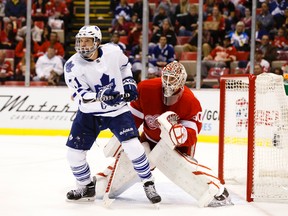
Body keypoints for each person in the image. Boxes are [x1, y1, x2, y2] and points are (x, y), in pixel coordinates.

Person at [95, 61, 232, 207]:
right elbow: (133, 120)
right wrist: (123, 137)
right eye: (166, 77)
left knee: (173, 164)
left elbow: (191, 136)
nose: (168, 82)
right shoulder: (146, 89)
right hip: (149, 137)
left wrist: (180, 134)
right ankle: (101, 182)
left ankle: (216, 190)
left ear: (181, 80)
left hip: (176, 146)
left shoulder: (190, 102)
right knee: (141, 155)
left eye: (172, 78)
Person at [63, 25, 161, 204]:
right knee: (73, 154)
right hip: (89, 113)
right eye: (80, 40)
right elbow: (80, 95)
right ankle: (86, 186)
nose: (83, 45)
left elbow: (125, 67)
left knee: (133, 146)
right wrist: (100, 96)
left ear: (98, 42)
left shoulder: (114, 52)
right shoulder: (72, 66)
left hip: (117, 110)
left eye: (87, 40)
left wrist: (129, 82)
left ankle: (148, 182)